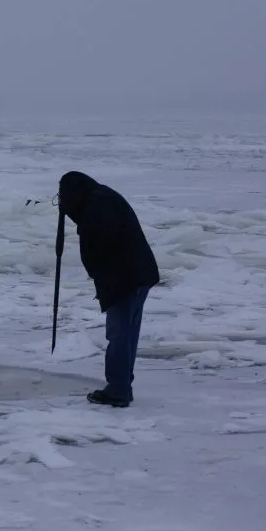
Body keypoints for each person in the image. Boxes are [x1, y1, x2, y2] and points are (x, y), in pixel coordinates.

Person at [56, 171, 159, 407]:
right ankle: (122, 385)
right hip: (137, 273)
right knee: (127, 334)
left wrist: (102, 278)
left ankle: (118, 390)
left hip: (126, 277)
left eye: (63, 196)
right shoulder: (100, 198)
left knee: (120, 335)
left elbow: (99, 245)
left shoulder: (97, 205)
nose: (62, 201)